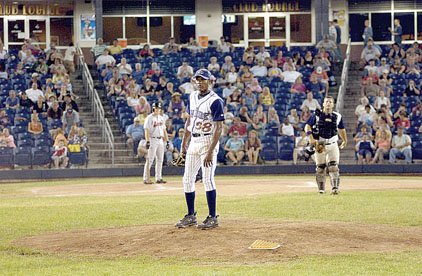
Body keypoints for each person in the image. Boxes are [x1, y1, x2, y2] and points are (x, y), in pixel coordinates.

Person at [175, 69, 224, 230]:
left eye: (203, 79)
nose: (200, 82)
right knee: (187, 179)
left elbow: (218, 128)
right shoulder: (192, 96)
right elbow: (189, 121)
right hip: (194, 141)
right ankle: (191, 215)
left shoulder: (215, 101)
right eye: (198, 79)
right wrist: (184, 143)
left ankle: (212, 217)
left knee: (207, 179)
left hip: (208, 141)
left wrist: (210, 151)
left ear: (210, 81)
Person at [304, 96, 347, 195]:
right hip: (320, 144)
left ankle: (335, 188)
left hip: (332, 143)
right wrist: (311, 138)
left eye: (330, 102)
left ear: (333, 104)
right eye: (326, 101)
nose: (328, 103)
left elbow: (341, 129)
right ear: (323, 104)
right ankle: (321, 190)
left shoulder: (338, 116)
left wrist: (344, 140)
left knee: (333, 166)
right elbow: (307, 126)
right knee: (320, 168)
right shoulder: (317, 115)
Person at [142, 102, 168, 184]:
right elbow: (147, 130)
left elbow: (164, 130)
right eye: (156, 108)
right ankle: (146, 178)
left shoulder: (161, 118)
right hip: (152, 139)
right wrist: (147, 141)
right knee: (150, 159)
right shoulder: (149, 118)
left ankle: (158, 178)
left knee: (160, 160)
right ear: (153, 108)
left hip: (160, 140)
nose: (158, 109)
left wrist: (167, 141)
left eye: (159, 108)